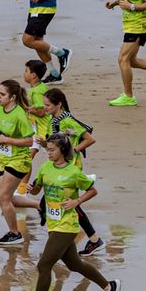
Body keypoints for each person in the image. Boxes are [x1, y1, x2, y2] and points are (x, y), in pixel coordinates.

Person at [8, 134, 120, 291]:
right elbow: (37, 189)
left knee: (44, 265)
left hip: (67, 226)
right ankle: (109, 287)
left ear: (62, 150)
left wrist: (76, 201)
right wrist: (31, 188)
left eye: (52, 150)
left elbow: (92, 190)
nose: (48, 153)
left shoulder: (73, 172)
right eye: (47, 150)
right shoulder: (45, 168)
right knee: (75, 264)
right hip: (53, 223)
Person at [42, 89, 103, 254]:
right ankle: (69, 237)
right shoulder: (51, 121)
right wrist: (43, 143)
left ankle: (92, 239)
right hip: (57, 166)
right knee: (56, 202)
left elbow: (90, 139)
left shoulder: (68, 121)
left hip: (71, 168)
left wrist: (72, 150)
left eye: (48, 105)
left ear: (59, 104)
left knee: (69, 204)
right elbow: (53, 145)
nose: (45, 108)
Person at [0, 81, 35, 244]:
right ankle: (40, 206)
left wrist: (6, 139)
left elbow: (30, 141)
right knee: (6, 198)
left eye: (2, 95)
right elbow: (1, 132)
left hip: (19, 161)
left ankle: (15, 233)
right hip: (4, 159)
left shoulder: (20, 115)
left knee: (3, 198)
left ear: (13, 97)